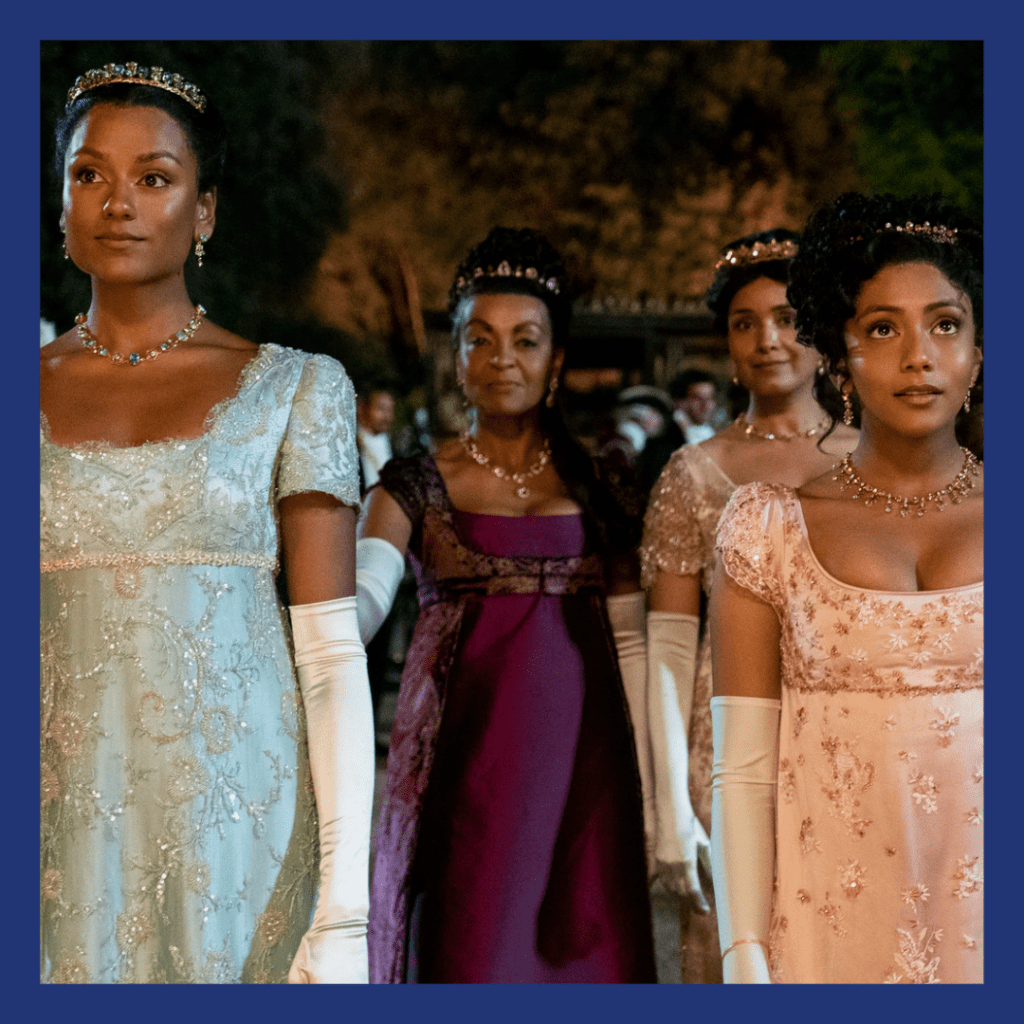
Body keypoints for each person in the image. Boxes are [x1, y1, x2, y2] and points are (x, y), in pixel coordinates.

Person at [40, 62, 374, 984]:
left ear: (206, 211)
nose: (117, 202)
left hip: (245, 845)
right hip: (51, 846)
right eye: (87, 175)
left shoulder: (297, 389)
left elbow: (332, 658)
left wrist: (346, 909)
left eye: (154, 177)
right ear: (59, 201)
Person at [357, 227, 656, 983]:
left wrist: (659, 795)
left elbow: (635, 643)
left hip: (591, 777)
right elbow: (358, 605)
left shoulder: (606, 482)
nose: (502, 361)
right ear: (455, 357)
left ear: (555, 360)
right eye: (480, 340)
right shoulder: (410, 484)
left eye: (524, 341)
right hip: (466, 782)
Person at [709, 193, 983, 983]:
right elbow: (745, 771)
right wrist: (743, 956)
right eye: (883, 328)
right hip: (826, 927)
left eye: (945, 324)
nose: (919, 357)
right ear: (840, 355)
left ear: (979, 348)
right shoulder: (768, 531)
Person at [640, 228, 857, 983]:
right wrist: (670, 807)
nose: (768, 339)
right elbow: (668, 650)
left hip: (848, 733)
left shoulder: (875, 456)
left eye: (787, 318)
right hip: (726, 739)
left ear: (821, 333)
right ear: (726, 344)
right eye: (744, 323)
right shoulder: (695, 472)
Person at [356, 381, 397, 491]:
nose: (387, 416)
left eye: (390, 410)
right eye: (381, 408)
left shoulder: (396, 448)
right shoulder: (351, 445)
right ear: (362, 408)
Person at [669, 369, 718, 444]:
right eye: (698, 398)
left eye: (710, 398)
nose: (706, 405)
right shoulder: (669, 434)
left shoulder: (708, 432)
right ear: (680, 402)